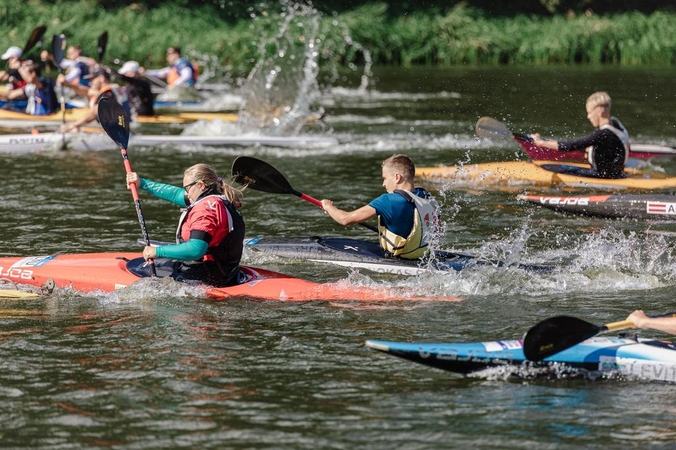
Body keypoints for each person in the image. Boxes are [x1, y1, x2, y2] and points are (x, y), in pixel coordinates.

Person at [126, 164, 245, 287]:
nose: (186, 193)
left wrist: (157, 251)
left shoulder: (205, 210)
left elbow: (196, 250)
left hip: (206, 276)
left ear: (200, 185)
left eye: (187, 188)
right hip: (227, 271)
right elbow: (175, 194)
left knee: (137, 268)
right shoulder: (220, 197)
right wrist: (143, 183)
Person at [321, 154, 441, 260]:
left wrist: (329, 207)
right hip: (423, 256)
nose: (383, 184)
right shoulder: (425, 195)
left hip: (400, 258)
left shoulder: (388, 200)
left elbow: (345, 219)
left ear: (397, 177)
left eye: (384, 178)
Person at [530, 91, 629, 179]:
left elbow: (571, 146)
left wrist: (541, 142)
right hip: (617, 174)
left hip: (601, 176)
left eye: (589, 113)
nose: (588, 116)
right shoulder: (617, 125)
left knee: (547, 167)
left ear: (599, 112)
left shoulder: (601, 134)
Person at [59, 65, 129, 132]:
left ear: (101, 78)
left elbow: (95, 112)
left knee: (74, 130)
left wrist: (73, 125)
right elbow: (86, 91)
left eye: (93, 79)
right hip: (122, 129)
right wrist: (67, 83)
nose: (90, 82)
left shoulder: (107, 93)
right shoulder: (112, 89)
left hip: (115, 133)